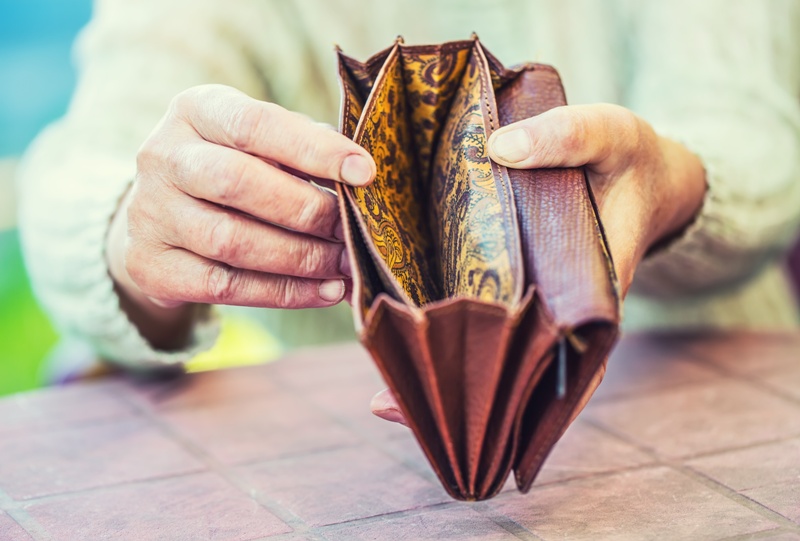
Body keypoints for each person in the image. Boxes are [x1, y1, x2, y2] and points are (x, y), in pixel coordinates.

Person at [16, 0, 800, 422]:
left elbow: (753, 127)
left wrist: (675, 180)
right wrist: (133, 233)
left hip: (721, 399)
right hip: (356, 448)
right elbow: (86, 162)